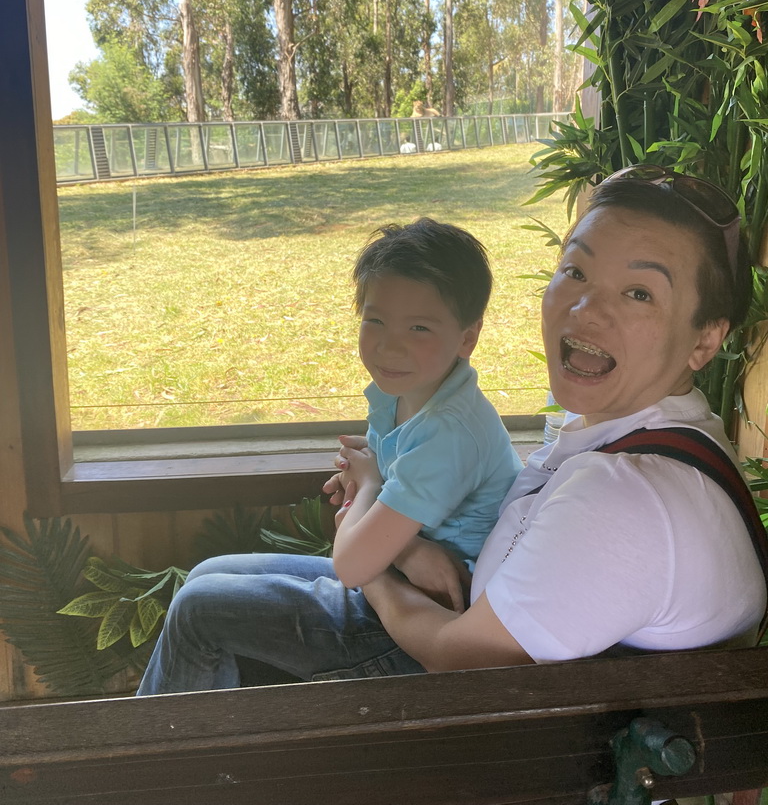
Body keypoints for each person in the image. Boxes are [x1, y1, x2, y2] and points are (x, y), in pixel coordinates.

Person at [136, 166, 766, 696]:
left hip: (462, 701)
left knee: (200, 611)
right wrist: (406, 547)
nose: (587, 308)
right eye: (575, 272)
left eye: (638, 293)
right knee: (207, 575)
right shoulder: (653, 431)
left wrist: (379, 567)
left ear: (705, 339)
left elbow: (455, 657)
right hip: (474, 616)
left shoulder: (628, 496)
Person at [325, 220, 522, 595]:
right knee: (208, 576)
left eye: (418, 328)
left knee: (201, 606)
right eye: (376, 321)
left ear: (467, 338)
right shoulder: (406, 393)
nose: (389, 347)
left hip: (437, 606)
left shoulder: (450, 431)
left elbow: (351, 567)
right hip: (395, 571)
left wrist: (368, 484)